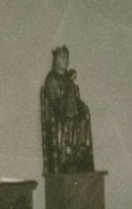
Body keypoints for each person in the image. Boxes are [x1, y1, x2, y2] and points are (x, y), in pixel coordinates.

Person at [40, 45, 94, 173]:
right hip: (60, 115)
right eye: (63, 57)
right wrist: (68, 106)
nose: (66, 61)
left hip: (71, 112)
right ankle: (67, 155)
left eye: (67, 58)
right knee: (69, 121)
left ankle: (80, 155)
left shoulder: (67, 79)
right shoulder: (52, 79)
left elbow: (75, 98)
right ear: (56, 60)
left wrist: (81, 107)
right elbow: (55, 103)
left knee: (84, 117)